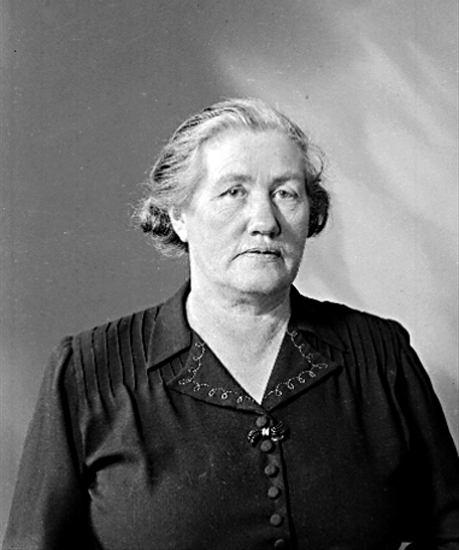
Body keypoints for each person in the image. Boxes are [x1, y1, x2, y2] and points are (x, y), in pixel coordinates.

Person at [3, 98, 459, 550]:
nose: (265, 221)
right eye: (234, 192)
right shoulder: (89, 372)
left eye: (286, 193)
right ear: (179, 215)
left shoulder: (380, 354)